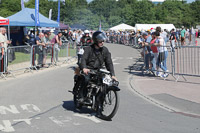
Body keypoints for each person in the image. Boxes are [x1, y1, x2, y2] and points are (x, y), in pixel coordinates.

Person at [78, 31, 117, 103]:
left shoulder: (105, 50)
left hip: (99, 70)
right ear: (96, 41)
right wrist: (84, 68)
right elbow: (83, 59)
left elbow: (109, 62)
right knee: (86, 79)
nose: (102, 42)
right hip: (88, 69)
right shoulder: (88, 49)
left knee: (105, 83)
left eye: (103, 41)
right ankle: (82, 96)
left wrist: (113, 74)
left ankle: (99, 102)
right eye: (100, 41)